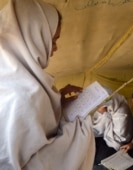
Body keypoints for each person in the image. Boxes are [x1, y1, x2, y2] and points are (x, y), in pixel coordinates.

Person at [0, 0, 95, 169]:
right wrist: (79, 132)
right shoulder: (23, 95)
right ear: (32, 37)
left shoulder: (12, 77)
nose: (55, 48)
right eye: (53, 40)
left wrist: (57, 103)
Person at [92, 87, 133, 165]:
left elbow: (121, 136)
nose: (98, 108)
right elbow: (98, 127)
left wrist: (106, 114)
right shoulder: (102, 107)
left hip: (116, 142)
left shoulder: (122, 111)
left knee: (100, 158)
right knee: (89, 149)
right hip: (105, 137)